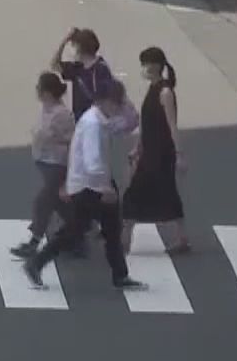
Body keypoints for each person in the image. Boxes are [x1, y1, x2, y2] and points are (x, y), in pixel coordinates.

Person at [21, 75, 147, 292]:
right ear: (105, 101)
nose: (119, 107)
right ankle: (36, 263)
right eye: (117, 102)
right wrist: (106, 189)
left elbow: (128, 123)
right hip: (91, 185)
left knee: (101, 229)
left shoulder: (99, 119)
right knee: (79, 230)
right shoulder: (93, 125)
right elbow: (92, 161)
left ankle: (119, 275)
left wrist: (127, 105)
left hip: (93, 183)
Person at [121, 46, 190, 254]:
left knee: (145, 191)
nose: (144, 68)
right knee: (150, 192)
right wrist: (137, 147)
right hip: (149, 151)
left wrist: (179, 154)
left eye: (147, 63)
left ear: (157, 65)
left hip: (162, 152)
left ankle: (126, 238)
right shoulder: (152, 89)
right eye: (143, 63)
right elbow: (147, 123)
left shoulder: (165, 92)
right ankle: (180, 237)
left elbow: (172, 125)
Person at [9, 72, 76, 259]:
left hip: (57, 164)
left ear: (47, 93)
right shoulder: (47, 109)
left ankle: (34, 242)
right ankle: (78, 232)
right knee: (59, 204)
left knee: (43, 202)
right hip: (46, 163)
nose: (36, 91)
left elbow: (73, 144)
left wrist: (68, 178)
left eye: (39, 88)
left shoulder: (61, 114)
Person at [50, 27, 117, 119]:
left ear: (80, 47)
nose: (72, 49)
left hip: (96, 121)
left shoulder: (101, 68)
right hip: (80, 120)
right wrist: (64, 41)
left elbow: (106, 99)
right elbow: (54, 64)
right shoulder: (77, 68)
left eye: (74, 45)